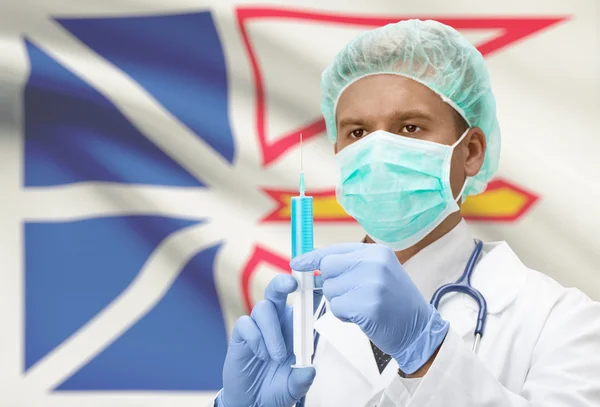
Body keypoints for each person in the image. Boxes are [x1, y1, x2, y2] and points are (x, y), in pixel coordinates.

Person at [212, 19, 600, 407]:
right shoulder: (297, 327)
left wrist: (427, 353)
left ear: (471, 151)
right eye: (358, 133)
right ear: (338, 153)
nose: (378, 151)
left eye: (410, 127)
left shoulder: (562, 322)